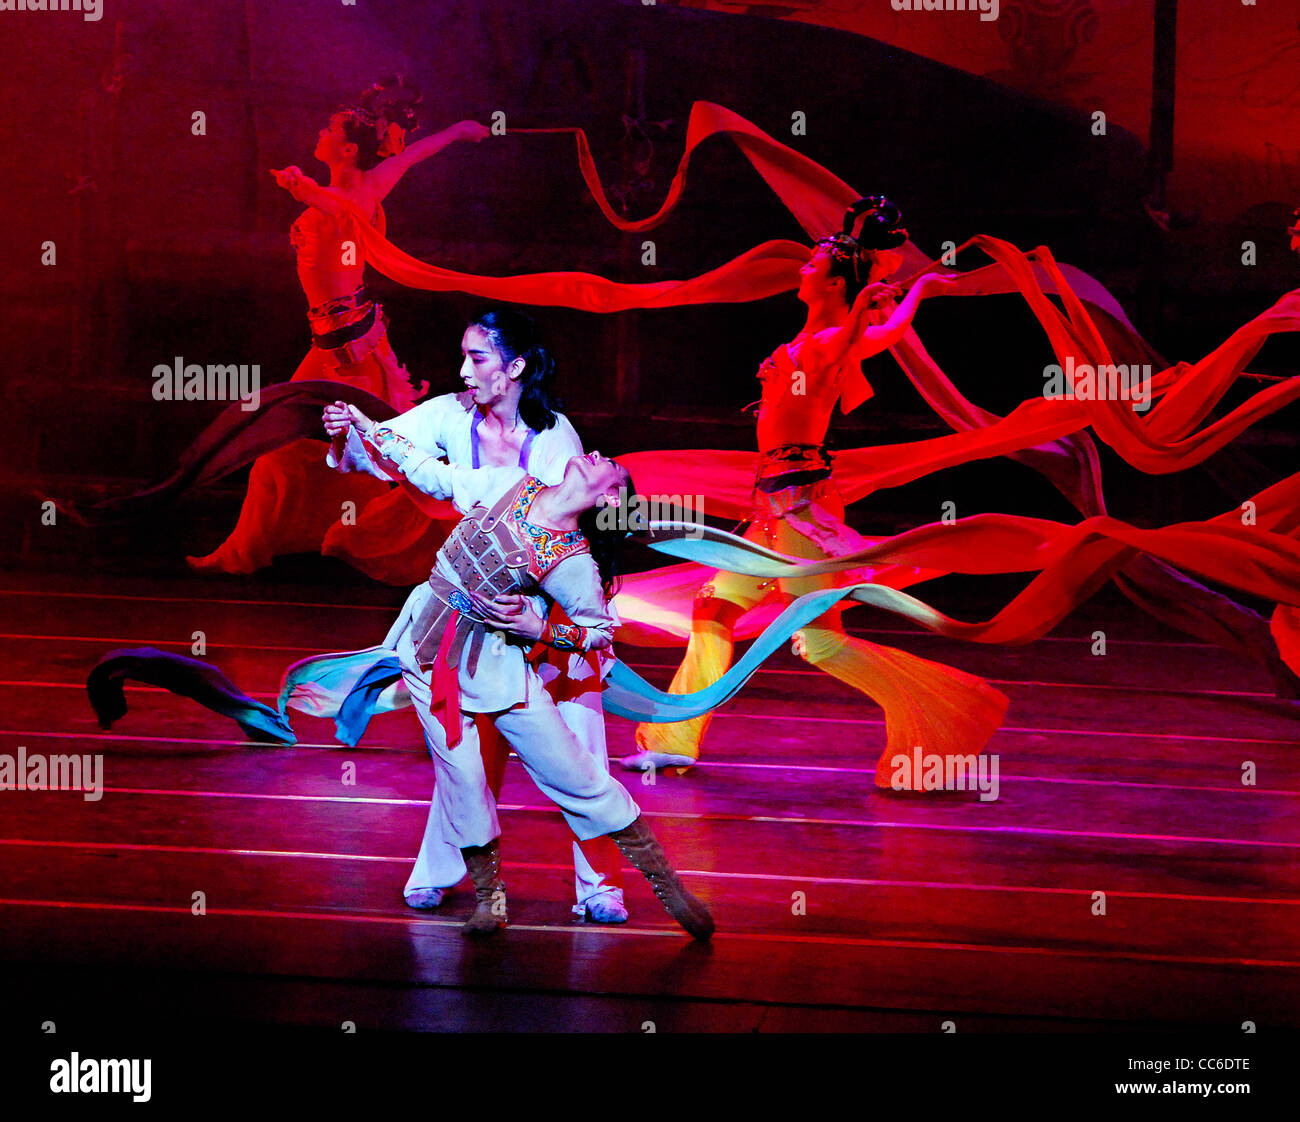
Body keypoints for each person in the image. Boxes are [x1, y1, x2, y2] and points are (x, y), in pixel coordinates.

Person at [626, 198, 1010, 786]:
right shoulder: (811, 339)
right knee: (714, 611)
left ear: (833, 284)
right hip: (771, 511)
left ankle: (945, 706)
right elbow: (870, 328)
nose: (802, 269)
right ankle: (675, 740)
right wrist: (901, 291)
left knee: (822, 645)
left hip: (800, 512)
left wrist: (885, 300)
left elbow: (871, 334)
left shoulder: (831, 343)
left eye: (812, 265)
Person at [330, 420, 713, 940]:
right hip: (426, 655)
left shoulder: (571, 560)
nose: (598, 453)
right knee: (463, 781)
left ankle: (667, 885)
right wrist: (365, 427)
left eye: (610, 466)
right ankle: (491, 899)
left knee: (576, 776)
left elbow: (599, 633)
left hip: (498, 671)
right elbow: (429, 474)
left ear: (609, 498)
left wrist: (541, 627)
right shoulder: (507, 481)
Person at [324, 309, 630, 924]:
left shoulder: (556, 443)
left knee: (580, 749)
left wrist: (543, 628)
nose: (464, 371)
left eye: (478, 359)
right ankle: (440, 869)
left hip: (550, 617)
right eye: (462, 356)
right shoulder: (451, 414)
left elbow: (565, 544)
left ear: (514, 368)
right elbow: (381, 447)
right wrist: (343, 430)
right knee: (463, 748)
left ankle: (599, 885)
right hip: (478, 619)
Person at [187, 76, 490, 575]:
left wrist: (305, 190)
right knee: (276, 449)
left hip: (354, 354)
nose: (321, 132)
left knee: (392, 466)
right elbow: (396, 167)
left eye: (329, 128)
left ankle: (469, 554)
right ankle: (245, 552)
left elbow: (356, 201)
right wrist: (458, 129)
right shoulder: (331, 193)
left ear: (347, 148)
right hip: (327, 348)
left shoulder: (362, 189)